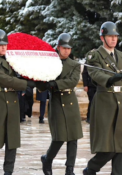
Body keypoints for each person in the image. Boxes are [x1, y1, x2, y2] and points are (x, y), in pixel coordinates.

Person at [0, 29, 35, 175]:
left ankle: (8, 172)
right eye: (0, 45)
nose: (4, 47)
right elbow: (5, 80)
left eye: (5, 44)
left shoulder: (12, 60)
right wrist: (26, 84)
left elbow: (23, 73)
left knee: (12, 141)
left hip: (13, 102)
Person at [38, 33, 83, 175]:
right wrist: (45, 83)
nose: (66, 51)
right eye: (64, 48)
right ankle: (48, 159)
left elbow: (72, 81)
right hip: (56, 101)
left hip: (70, 101)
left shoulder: (74, 65)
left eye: (69, 48)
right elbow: (42, 82)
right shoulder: (50, 62)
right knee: (59, 137)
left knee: (73, 138)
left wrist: (55, 83)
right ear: (58, 47)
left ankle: (70, 169)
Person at [83, 21, 122, 175]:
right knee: (108, 148)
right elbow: (95, 74)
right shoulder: (95, 55)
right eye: (110, 36)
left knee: (120, 147)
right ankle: (91, 169)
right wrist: (111, 79)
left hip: (120, 102)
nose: (113, 39)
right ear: (102, 37)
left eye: (115, 36)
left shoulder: (120, 55)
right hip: (105, 103)